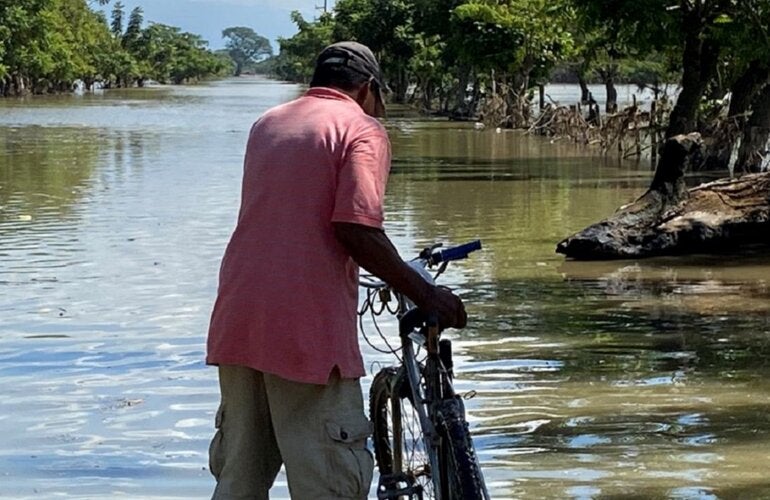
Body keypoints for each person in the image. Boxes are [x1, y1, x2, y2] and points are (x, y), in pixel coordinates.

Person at [205, 41, 467, 500]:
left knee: (239, 481)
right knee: (329, 483)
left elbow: (293, 219)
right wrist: (426, 294)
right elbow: (355, 227)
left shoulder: (268, 123)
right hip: (304, 328)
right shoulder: (362, 129)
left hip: (238, 318)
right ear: (368, 89)